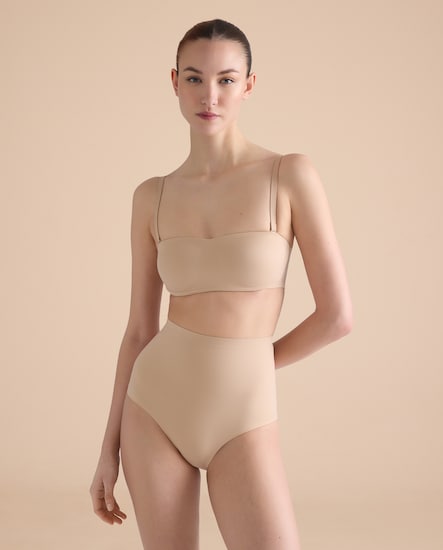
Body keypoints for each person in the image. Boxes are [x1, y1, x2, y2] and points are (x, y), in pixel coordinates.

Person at [90, 18, 352, 550]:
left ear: (249, 85)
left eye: (226, 80)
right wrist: (107, 448)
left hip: (243, 414)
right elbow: (139, 330)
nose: (209, 95)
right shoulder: (151, 197)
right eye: (194, 78)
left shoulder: (289, 175)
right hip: (154, 407)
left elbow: (337, 317)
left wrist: (252, 362)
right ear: (175, 82)